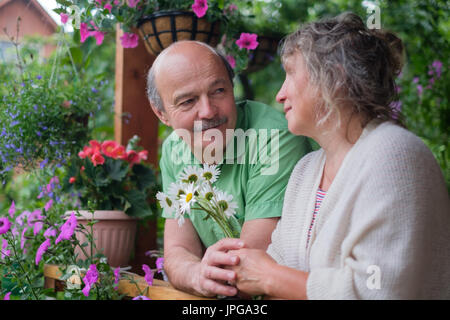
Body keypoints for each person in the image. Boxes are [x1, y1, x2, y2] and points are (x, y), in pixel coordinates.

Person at [227, 12, 450, 299]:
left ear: (335, 77)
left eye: (291, 73)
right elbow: (278, 264)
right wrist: (231, 266)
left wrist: (269, 277)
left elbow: (377, 288)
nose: (280, 94)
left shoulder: (395, 154)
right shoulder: (306, 170)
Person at [146, 40, 312, 297]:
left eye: (218, 90)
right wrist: (196, 274)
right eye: (188, 101)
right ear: (162, 114)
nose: (208, 110)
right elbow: (178, 250)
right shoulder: (173, 150)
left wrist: (202, 272)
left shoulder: (273, 138)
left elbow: (245, 270)